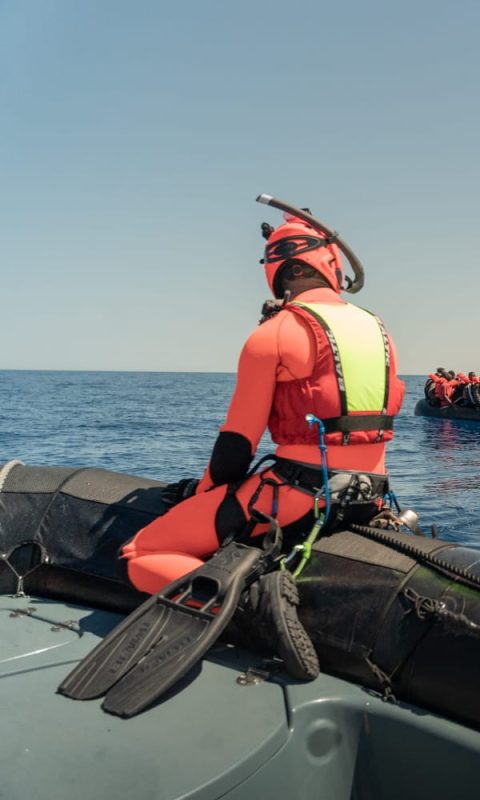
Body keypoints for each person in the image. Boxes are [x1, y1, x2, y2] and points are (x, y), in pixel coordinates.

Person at [119, 207, 405, 681]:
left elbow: (236, 446)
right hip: (369, 495)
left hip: (297, 497)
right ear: (332, 263)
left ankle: (253, 601)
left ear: (275, 271)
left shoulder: (271, 335)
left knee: (139, 554)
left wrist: (203, 493)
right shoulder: (381, 331)